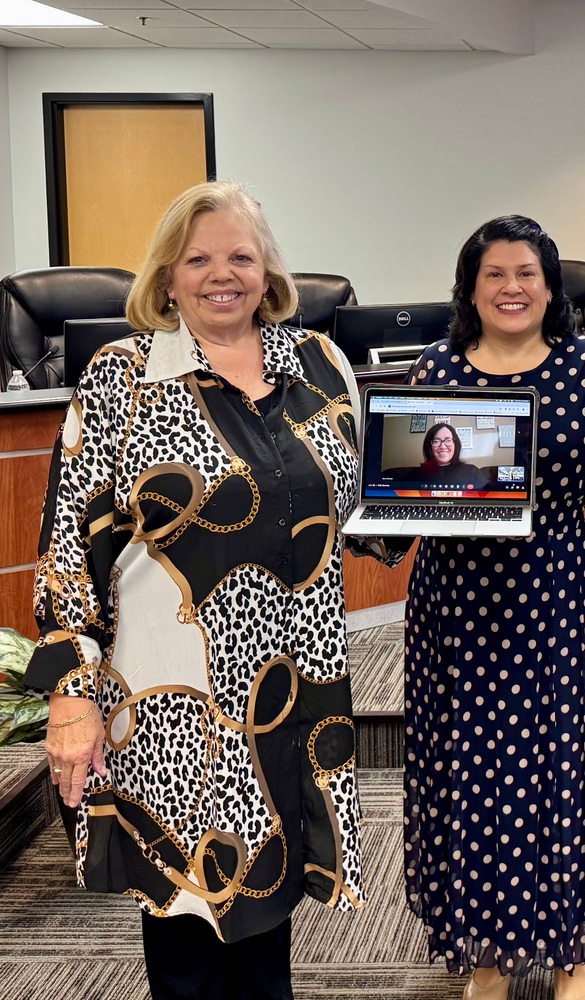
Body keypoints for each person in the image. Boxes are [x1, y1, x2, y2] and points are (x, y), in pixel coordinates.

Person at [30, 180, 381, 999]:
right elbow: (67, 550)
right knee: (190, 921)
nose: (221, 275)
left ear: (268, 273)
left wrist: (449, 503)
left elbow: (353, 509)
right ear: (168, 276)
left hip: (294, 689)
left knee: (270, 909)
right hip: (177, 697)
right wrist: (73, 698)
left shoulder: (321, 365)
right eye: (199, 259)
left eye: (240, 257)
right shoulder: (122, 378)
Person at [402, 215, 585, 1000]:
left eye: (528, 274)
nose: (512, 288)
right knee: (470, 776)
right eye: (495, 274)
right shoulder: (436, 368)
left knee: (559, 772)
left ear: (553, 288)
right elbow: (409, 485)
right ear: (471, 288)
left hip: (550, 600)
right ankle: (486, 954)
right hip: (455, 606)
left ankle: (573, 955)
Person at [417, 421, 486, 487]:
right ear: (429, 446)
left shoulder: (472, 471)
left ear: (455, 444)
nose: (443, 447)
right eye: (436, 441)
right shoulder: (417, 474)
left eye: (448, 440)